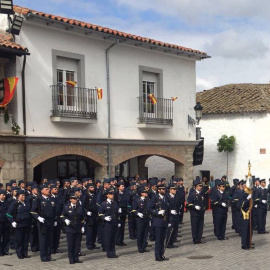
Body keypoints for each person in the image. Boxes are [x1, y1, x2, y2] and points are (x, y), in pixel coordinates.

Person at [31, 184, 56, 262]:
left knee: (49, 239)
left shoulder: (51, 199)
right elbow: (32, 211)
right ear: (42, 191)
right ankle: (43, 256)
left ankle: (49, 255)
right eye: (46, 189)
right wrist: (38, 217)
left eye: (48, 189)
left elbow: (54, 211)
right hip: (43, 222)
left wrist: (55, 220)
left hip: (50, 222)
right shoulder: (38, 200)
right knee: (43, 240)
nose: (48, 190)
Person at [6, 189, 31, 259]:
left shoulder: (26, 202)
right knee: (19, 240)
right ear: (18, 196)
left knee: (26, 239)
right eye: (22, 195)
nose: (24, 196)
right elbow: (8, 214)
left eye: (24, 195)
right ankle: (19, 253)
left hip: (26, 223)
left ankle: (25, 253)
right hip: (19, 224)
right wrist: (12, 221)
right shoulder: (15, 203)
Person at [61, 193, 84, 264]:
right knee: (71, 244)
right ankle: (71, 259)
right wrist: (65, 220)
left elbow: (82, 218)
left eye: (76, 199)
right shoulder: (66, 207)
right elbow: (62, 216)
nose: (75, 200)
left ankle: (76, 257)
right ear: (70, 200)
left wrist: (83, 226)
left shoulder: (79, 207)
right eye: (74, 199)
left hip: (78, 227)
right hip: (70, 228)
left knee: (77, 244)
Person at [148, 184, 170, 262]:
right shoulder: (155, 198)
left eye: (165, 189)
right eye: (162, 189)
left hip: (164, 221)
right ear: (159, 190)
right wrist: (157, 212)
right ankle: (157, 255)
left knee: (163, 239)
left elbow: (168, 210)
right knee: (158, 240)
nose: (164, 190)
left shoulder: (166, 198)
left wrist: (169, 221)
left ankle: (161, 254)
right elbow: (149, 208)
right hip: (158, 221)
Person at [98, 188, 120, 259]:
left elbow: (117, 214)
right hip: (108, 223)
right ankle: (109, 253)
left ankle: (113, 252)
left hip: (114, 222)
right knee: (108, 238)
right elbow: (100, 214)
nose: (112, 195)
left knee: (113, 238)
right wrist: (104, 217)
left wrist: (118, 221)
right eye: (110, 194)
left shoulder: (115, 203)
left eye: (112, 194)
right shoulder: (104, 204)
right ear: (107, 195)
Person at [131, 187, 151, 253]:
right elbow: (133, 210)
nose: (146, 194)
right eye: (145, 193)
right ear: (141, 193)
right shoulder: (136, 200)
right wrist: (137, 213)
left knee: (145, 233)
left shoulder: (147, 200)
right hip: (140, 219)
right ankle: (140, 248)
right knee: (140, 233)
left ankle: (144, 246)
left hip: (146, 218)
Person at [187, 179, 205, 244]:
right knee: (195, 226)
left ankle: (199, 238)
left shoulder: (201, 193)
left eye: (201, 186)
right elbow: (189, 203)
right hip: (195, 213)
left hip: (201, 212)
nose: (201, 187)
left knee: (200, 226)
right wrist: (194, 207)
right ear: (195, 187)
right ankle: (195, 239)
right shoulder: (192, 194)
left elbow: (203, 203)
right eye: (199, 186)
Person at [238, 181, 254, 250]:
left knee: (249, 230)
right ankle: (244, 245)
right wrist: (247, 199)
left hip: (250, 213)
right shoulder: (241, 194)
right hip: (244, 214)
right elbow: (242, 204)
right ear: (244, 186)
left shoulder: (249, 193)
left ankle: (248, 243)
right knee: (245, 230)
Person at [84, 183, 99, 250]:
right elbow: (83, 206)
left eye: (93, 187)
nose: (93, 188)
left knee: (95, 231)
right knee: (90, 231)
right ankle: (89, 244)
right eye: (91, 187)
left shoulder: (95, 196)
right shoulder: (86, 196)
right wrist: (86, 212)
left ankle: (93, 243)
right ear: (88, 189)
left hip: (95, 215)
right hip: (89, 216)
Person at [25, 184, 39, 252]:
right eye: (36, 189)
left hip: (38, 217)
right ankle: (33, 247)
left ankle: (38, 246)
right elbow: (29, 208)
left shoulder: (38, 197)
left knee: (37, 232)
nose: (37, 191)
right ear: (32, 190)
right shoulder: (29, 198)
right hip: (32, 217)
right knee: (32, 233)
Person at [166, 184, 180, 248]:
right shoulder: (167, 197)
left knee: (175, 229)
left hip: (175, 215)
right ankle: (168, 243)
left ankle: (172, 242)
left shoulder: (176, 196)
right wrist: (170, 211)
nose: (175, 190)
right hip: (170, 216)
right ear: (170, 190)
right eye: (173, 189)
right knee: (169, 230)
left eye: (175, 189)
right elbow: (165, 206)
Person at [115, 181, 128, 246]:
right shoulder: (116, 194)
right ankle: (117, 240)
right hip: (118, 212)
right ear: (118, 187)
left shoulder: (125, 194)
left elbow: (127, 203)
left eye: (123, 186)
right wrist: (117, 208)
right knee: (118, 226)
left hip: (124, 211)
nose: (123, 187)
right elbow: (115, 202)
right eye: (122, 186)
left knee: (122, 226)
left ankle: (121, 240)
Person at [0, 190, 10, 256]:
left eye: (4, 195)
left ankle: (5, 250)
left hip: (6, 222)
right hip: (0, 223)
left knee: (6, 237)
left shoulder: (7, 203)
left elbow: (9, 213)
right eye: (2, 195)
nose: (4, 196)